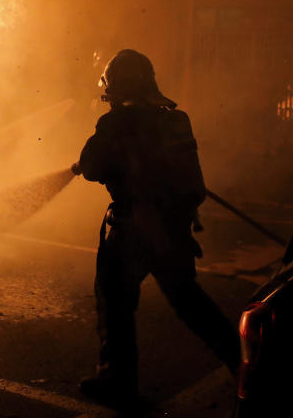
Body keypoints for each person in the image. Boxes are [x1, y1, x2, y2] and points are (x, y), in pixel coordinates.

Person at [73, 49, 240, 408]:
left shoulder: (115, 124)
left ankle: (117, 379)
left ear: (116, 87)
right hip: (174, 230)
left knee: (114, 300)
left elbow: (90, 167)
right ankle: (245, 363)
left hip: (132, 231)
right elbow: (189, 182)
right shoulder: (176, 120)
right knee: (191, 302)